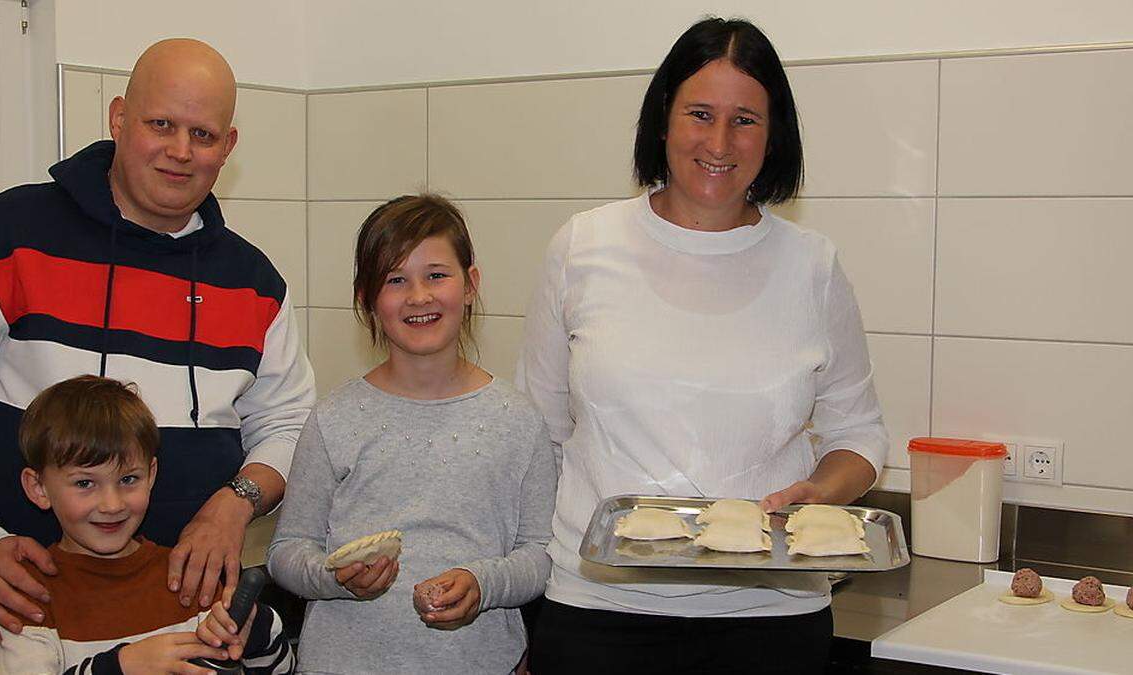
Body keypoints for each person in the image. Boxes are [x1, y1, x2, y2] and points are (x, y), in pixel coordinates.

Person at [516, 17, 889, 673]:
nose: (719, 142)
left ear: (773, 138)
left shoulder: (812, 267)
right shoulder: (583, 247)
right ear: (664, 119)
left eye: (745, 119)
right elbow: (537, 433)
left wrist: (820, 491)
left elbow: (859, 437)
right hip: (599, 612)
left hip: (769, 618)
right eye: (700, 114)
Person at [0, 38, 315, 671]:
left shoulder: (254, 283)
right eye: (159, 124)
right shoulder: (4, 237)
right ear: (117, 119)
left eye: (203, 134)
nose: (179, 151)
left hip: (196, 632)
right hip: (28, 623)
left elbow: (292, 425)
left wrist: (236, 502)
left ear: (228, 146)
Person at [267, 194, 557, 673]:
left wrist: (482, 583)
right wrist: (335, 577)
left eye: (437, 275)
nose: (419, 296)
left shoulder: (518, 420)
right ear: (366, 297)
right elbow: (286, 551)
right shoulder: (333, 417)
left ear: (471, 285)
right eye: (395, 279)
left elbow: (542, 555)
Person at [0, 375, 294, 674]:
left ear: (151, 474)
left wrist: (256, 632)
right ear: (38, 488)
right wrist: (119, 668)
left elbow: (280, 669)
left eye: (128, 479)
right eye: (85, 483)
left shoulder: (191, 579)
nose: (112, 505)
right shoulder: (26, 597)